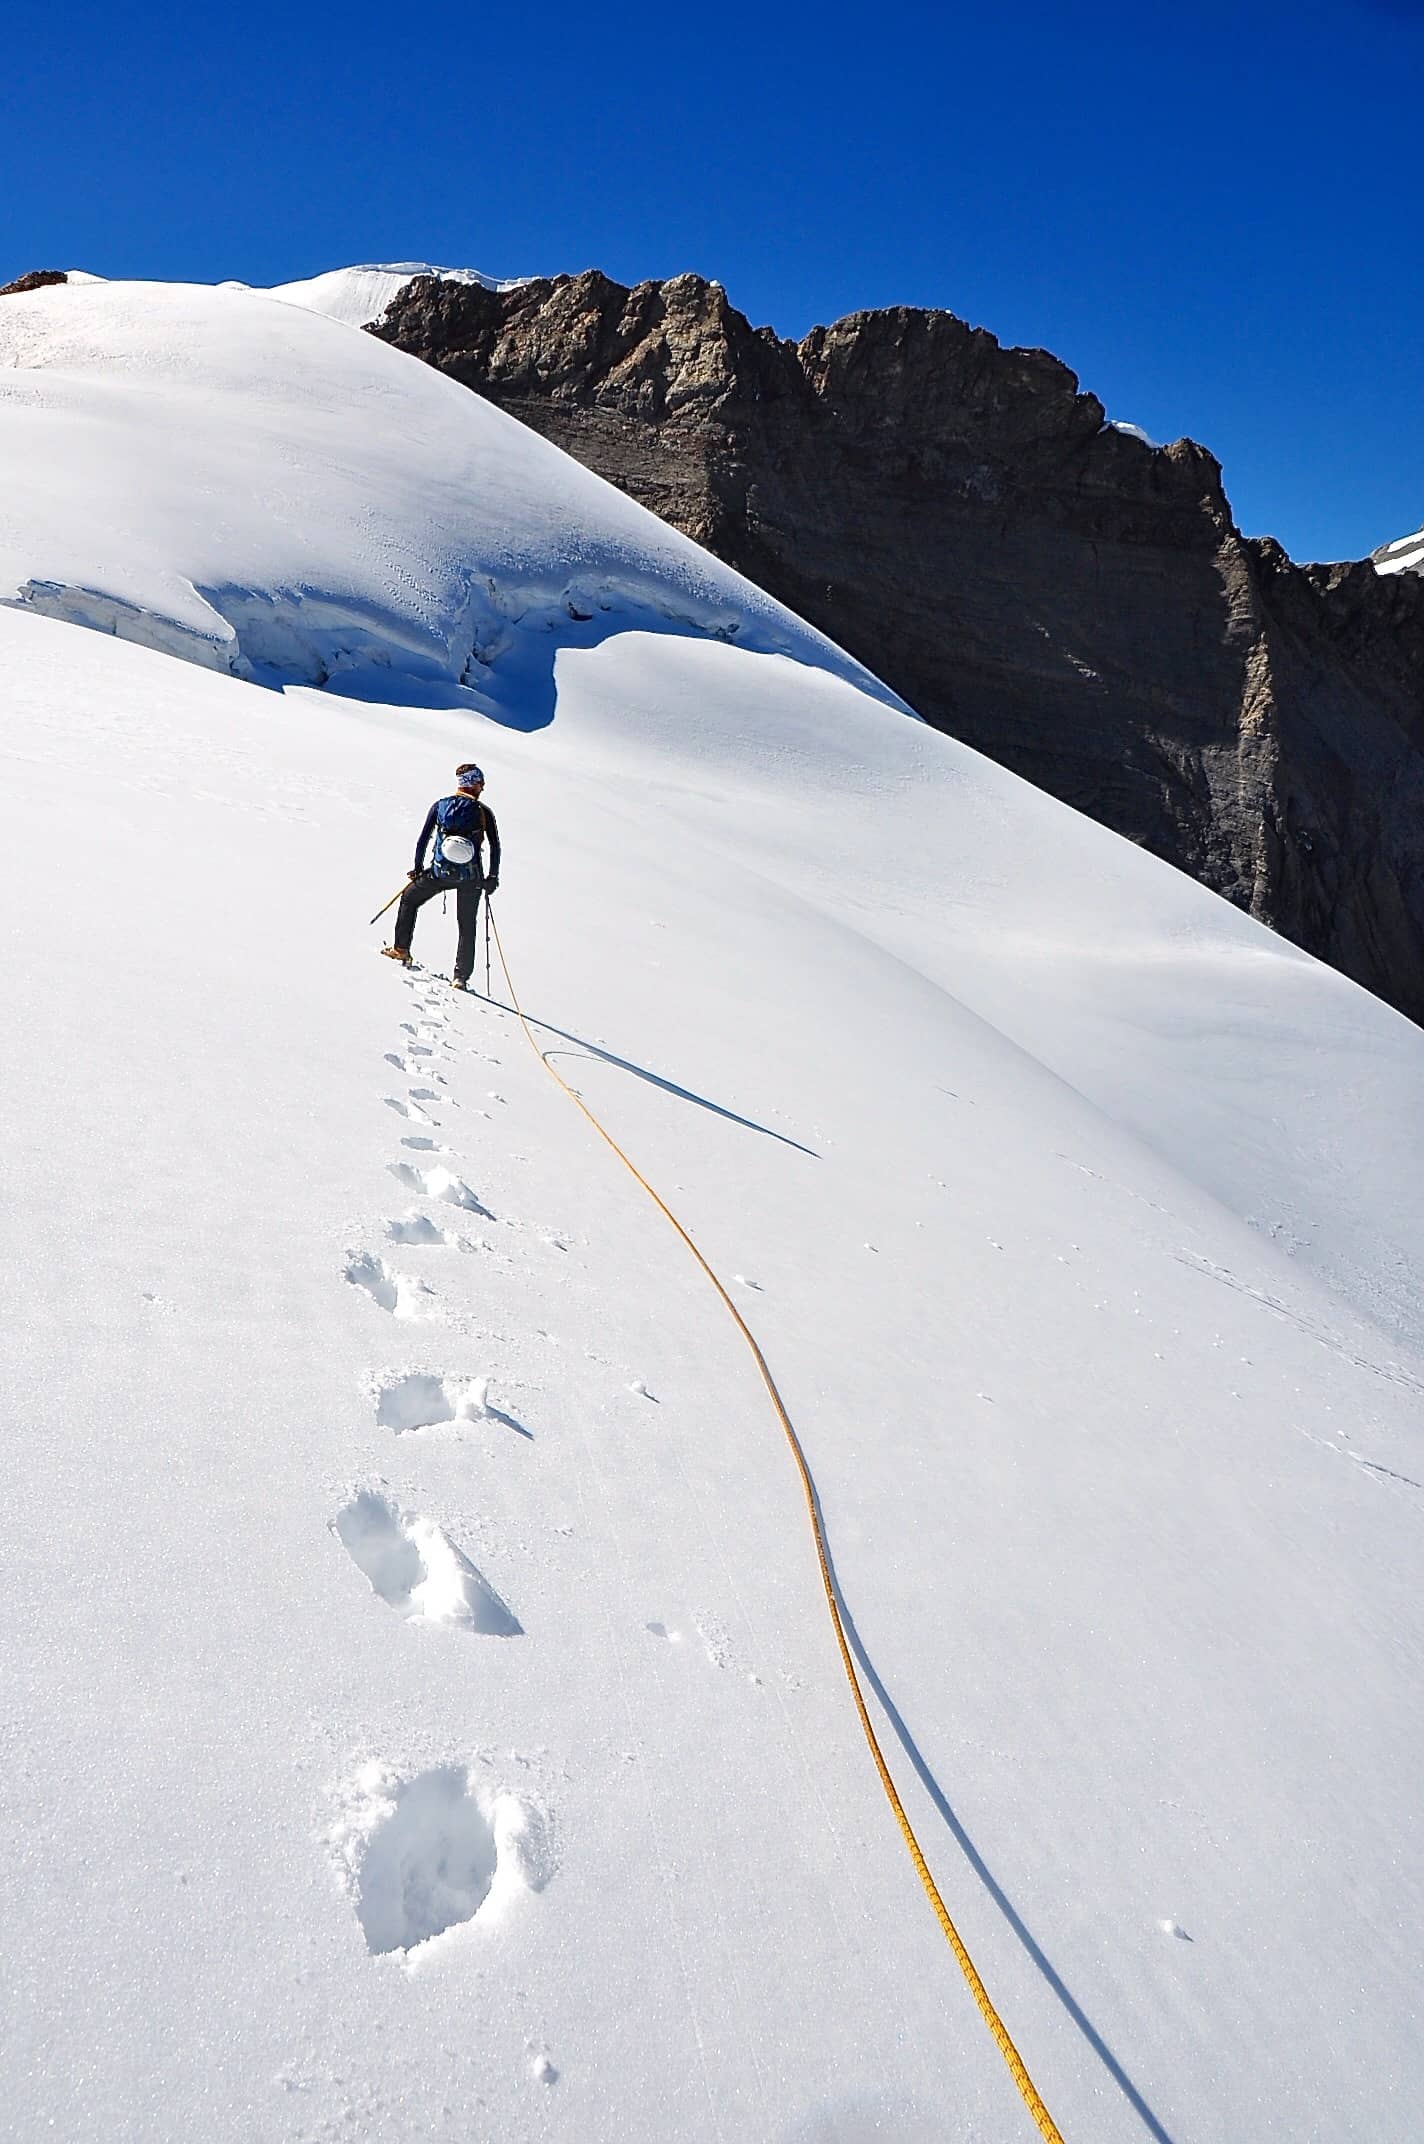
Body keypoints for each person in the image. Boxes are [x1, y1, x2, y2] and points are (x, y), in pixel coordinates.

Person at [381, 763, 501, 988]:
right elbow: (495, 846)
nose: (483, 787)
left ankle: (401, 949)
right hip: (471, 877)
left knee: (409, 898)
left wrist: (418, 868)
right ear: (472, 784)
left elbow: (423, 839)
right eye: (480, 782)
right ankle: (460, 977)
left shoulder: (440, 806)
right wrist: (492, 877)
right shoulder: (484, 812)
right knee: (467, 925)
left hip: (439, 872)